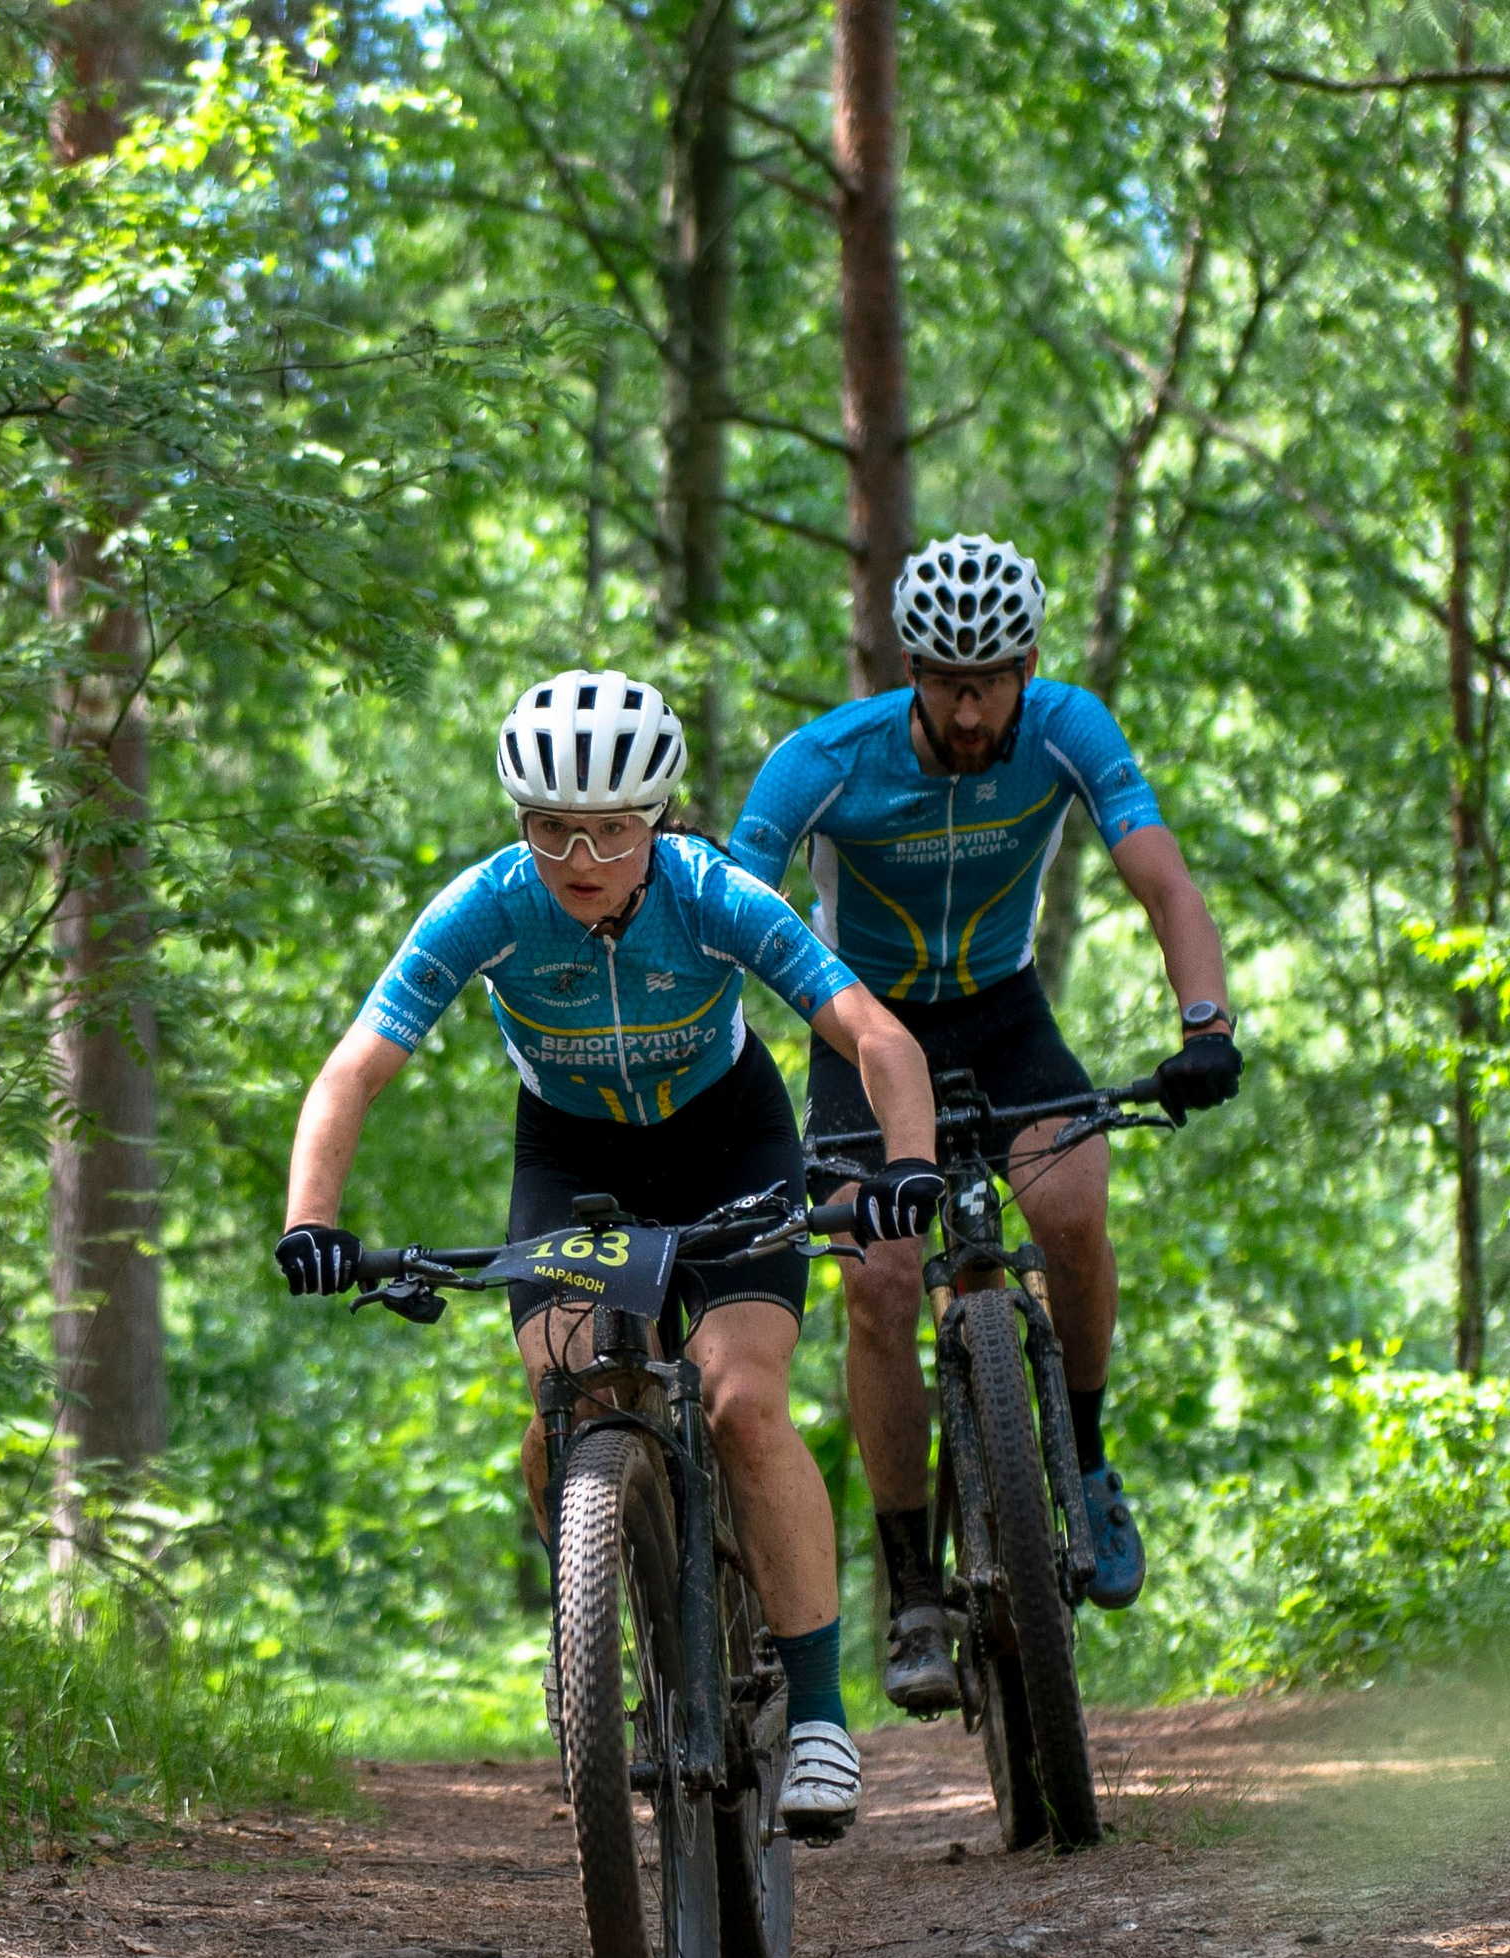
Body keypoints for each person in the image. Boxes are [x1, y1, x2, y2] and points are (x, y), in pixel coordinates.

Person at [277, 669, 940, 1838]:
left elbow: (873, 1034)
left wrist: (907, 1167)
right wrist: (312, 1221)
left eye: (612, 829)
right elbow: (352, 1070)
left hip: (729, 1144)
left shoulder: (712, 892)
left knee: (741, 1403)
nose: (579, 854)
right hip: (575, 1162)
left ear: (658, 820)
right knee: (561, 1410)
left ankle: (823, 1711)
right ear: (517, 820)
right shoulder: (487, 904)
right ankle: (608, 1632)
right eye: (548, 828)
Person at [727, 534, 1241, 1711]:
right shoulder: (825, 761)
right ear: (910, 669)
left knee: (1069, 1204)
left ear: (1027, 664)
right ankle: (909, 1585)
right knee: (879, 1282)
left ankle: (1090, 1459)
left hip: (1003, 1010)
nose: (969, 710)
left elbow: (1162, 879)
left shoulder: (1070, 727)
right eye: (947, 681)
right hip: (862, 1025)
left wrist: (1203, 1022)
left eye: (991, 678)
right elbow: (734, 907)